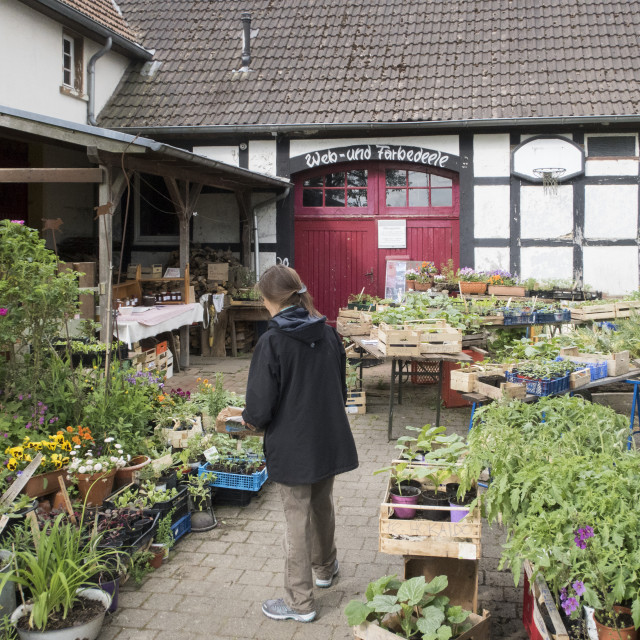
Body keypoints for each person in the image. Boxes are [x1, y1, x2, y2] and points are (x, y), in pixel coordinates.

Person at [241, 264, 359, 623]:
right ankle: (324, 569)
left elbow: (259, 408)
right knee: (322, 505)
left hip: (293, 444)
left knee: (296, 518)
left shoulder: (272, 341)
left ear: (269, 301)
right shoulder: (328, 334)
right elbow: (340, 390)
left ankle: (299, 603)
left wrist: (248, 420)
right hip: (328, 437)